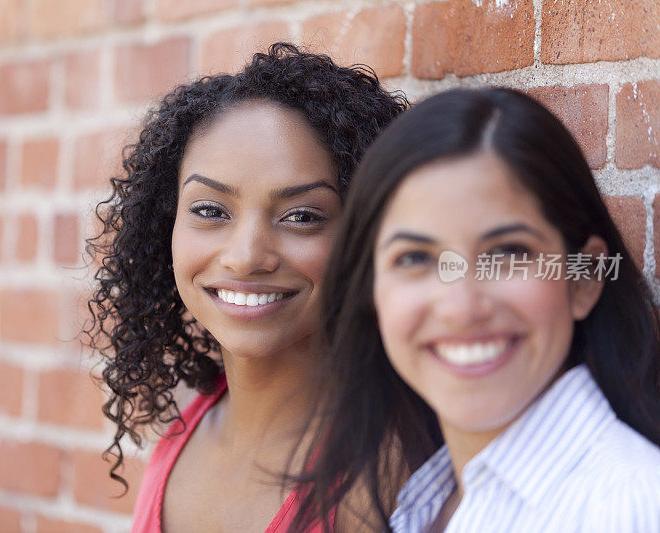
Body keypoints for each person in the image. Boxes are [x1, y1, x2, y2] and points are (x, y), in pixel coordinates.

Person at [291, 87, 660, 532]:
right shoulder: (421, 500)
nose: (462, 307)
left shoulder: (630, 506)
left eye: (506, 253)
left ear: (584, 278)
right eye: (415, 258)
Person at [85, 42, 408, 532]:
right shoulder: (185, 432)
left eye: (302, 216)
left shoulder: (379, 473)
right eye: (211, 210)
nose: (246, 256)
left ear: (366, 234)